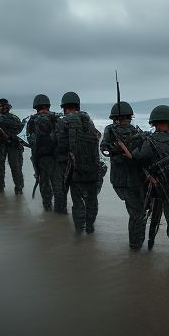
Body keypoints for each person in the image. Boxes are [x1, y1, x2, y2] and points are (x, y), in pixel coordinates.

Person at [133, 105, 169, 268]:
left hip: (162, 188)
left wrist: (137, 144)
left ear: (154, 122)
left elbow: (139, 158)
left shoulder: (150, 141)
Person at [101, 101, 148, 248]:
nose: (124, 122)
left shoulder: (136, 132)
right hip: (125, 179)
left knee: (138, 212)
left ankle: (137, 242)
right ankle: (135, 245)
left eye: (125, 119)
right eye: (122, 119)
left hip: (134, 178)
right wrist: (116, 151)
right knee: (137, 213)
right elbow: (105, 149)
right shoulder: (111, 131)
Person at [56, 91, 101, 233]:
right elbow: (97, 137)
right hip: (93, 166)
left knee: (78, 201)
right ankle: (90, 227)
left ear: (65, 107)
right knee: (92, 200)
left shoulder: (64, 121)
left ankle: (79, 231)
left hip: (75, 167)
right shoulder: (88, 120)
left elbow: (61, 146)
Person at [26, 94, 64, 211]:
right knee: (58, 186)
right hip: (55, 158)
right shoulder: (56, 118)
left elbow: (27, 139)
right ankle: (60, 213)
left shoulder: (31, 120)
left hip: (39, 158)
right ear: (48, 105)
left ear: (35, 106)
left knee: (44, 185)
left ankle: (47, 209)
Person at [0, 98, 25, 194]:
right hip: (0, 145)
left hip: (11, 145)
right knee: (2, 168)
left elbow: (20, 132)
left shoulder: (12, 118)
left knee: (14, 167)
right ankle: (3, 189)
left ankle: (16, 188)